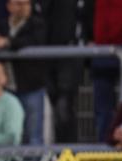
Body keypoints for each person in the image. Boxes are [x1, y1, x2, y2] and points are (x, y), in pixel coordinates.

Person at [0, 0, 46, 146]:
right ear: (9, 6)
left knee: (33, 133)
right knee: (11, 131)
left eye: (27, 4)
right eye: (19, 3)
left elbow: (35, 40)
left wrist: (8, 43)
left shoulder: (37, 24)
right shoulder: (2, 25)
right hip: (8, 89)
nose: (24, 8)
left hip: (31, 87)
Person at [37, 0, 93, 143]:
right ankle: (60, 153)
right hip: (47, 55)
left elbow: (87, 16)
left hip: (70, 54)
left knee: (64, 107)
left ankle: (67, 154)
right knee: (54, 105)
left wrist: (89, 38)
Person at [90, 0, 122, 142]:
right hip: (101, 52)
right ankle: (104, 149)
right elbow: (86, 13)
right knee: (103, 110)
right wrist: (88, 38)